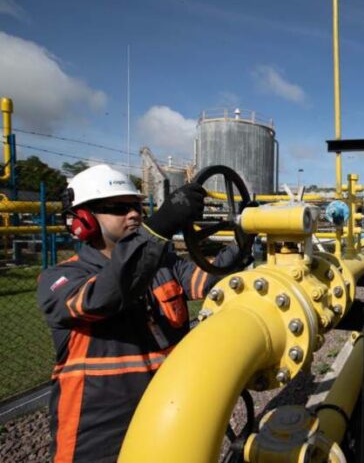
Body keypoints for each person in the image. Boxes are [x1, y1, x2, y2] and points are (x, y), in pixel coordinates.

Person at [37, 165, 242, 463]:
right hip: (98, 437)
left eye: (137, 207)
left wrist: (245, 236)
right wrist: (158, 229)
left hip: (168, 415)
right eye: (119, 208)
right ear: (84, 220)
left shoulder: (164, 265)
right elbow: (105, 296)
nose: (134, 214)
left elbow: (209, 279)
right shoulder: (60, 279)